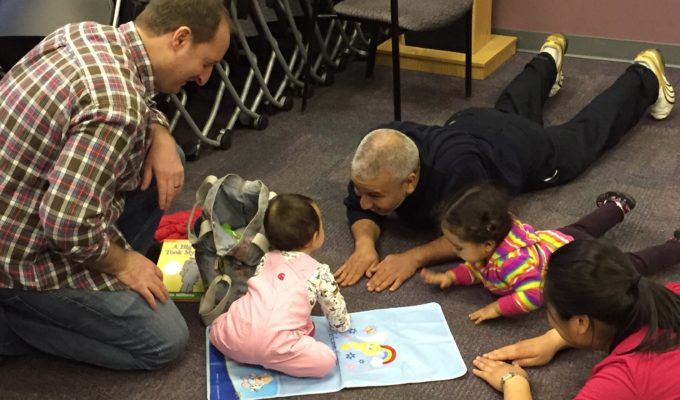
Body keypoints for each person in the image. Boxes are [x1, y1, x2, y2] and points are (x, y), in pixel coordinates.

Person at [334, 32, 676, 293]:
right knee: (510, 110)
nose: (364, 201)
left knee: (583, 138)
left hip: (520, 149)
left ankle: (644, 76)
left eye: (374, 197)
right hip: (472, 123)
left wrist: (413, 256)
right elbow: (358, 204)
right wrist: (365, 245)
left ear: (409, 181)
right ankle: (547, 59)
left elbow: (476, 233)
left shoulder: (457, 171)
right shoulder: (378, 156)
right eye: (363, 192)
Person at [0, 0, 232, 370]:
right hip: (19, 261)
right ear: (180, 38)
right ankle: (16, 321)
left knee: (167, 160)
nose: (205, 77)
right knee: (165, 341)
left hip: (20, 208)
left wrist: (159, 132)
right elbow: (66, 226)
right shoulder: (118, 105)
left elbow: (137, 96)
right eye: (206, 63)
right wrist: (123, 263)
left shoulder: (88, 33)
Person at [420, 184, 680, 324]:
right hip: (559, 241)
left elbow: (534, 294)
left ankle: (675, 247)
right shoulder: (493, 241)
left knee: (631, 265)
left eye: (458, 247)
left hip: (577, 265)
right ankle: (616, 207)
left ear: (488, 245)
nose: (455, 252)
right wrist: (452, 277)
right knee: (583, 228)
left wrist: (498, 308)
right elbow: (478, 267)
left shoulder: (514, 265)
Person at [471, 240, 680, 399]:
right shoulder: (669, 295)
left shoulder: (623, 379)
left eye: (550, 313)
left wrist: (514, 383)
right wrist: (556, 339)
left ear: (581, 323)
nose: (550, 320)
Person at [209, 194, 351, 378]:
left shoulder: (266, 259)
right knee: (326, 360)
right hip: (278, 348)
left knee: (220, 325)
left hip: (235, 343)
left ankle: (241, 339)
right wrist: (342, 326)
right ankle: (275, 354)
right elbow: (335, 308)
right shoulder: (319, 272)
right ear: (315, 236)